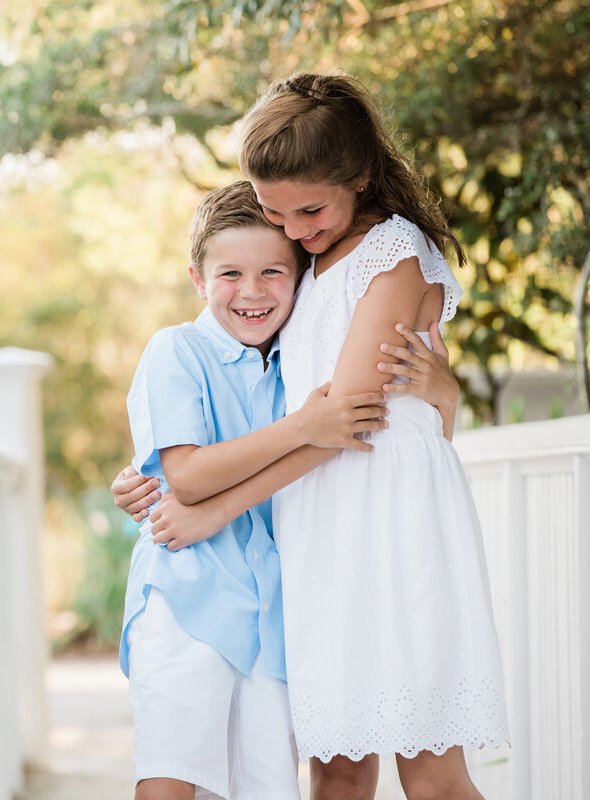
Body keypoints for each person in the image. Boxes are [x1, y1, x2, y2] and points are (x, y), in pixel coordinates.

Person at [119, 73, 508, 800]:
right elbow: (262, 399)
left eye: (309, 210)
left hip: (387, 519)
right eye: (274, 211)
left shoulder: (391, 252)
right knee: (336, 761)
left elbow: (350, 416)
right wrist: (145, 472)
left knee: (428, 771)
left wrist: (212, 508)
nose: (293, 230)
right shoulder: (308, 263)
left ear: (360, 177)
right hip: (317, 522)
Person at [121, 180, 407, 800]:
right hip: (187, 595)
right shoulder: (177, 350)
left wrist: (445, 389)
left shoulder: (302, 362)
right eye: (230, 273)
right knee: (172, 779)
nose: (252, 292)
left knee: (266, 785)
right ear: (198, 278)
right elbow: (188, 475)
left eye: (273, 271)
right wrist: (303, 425)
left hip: (275, 616)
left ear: (300, 277)